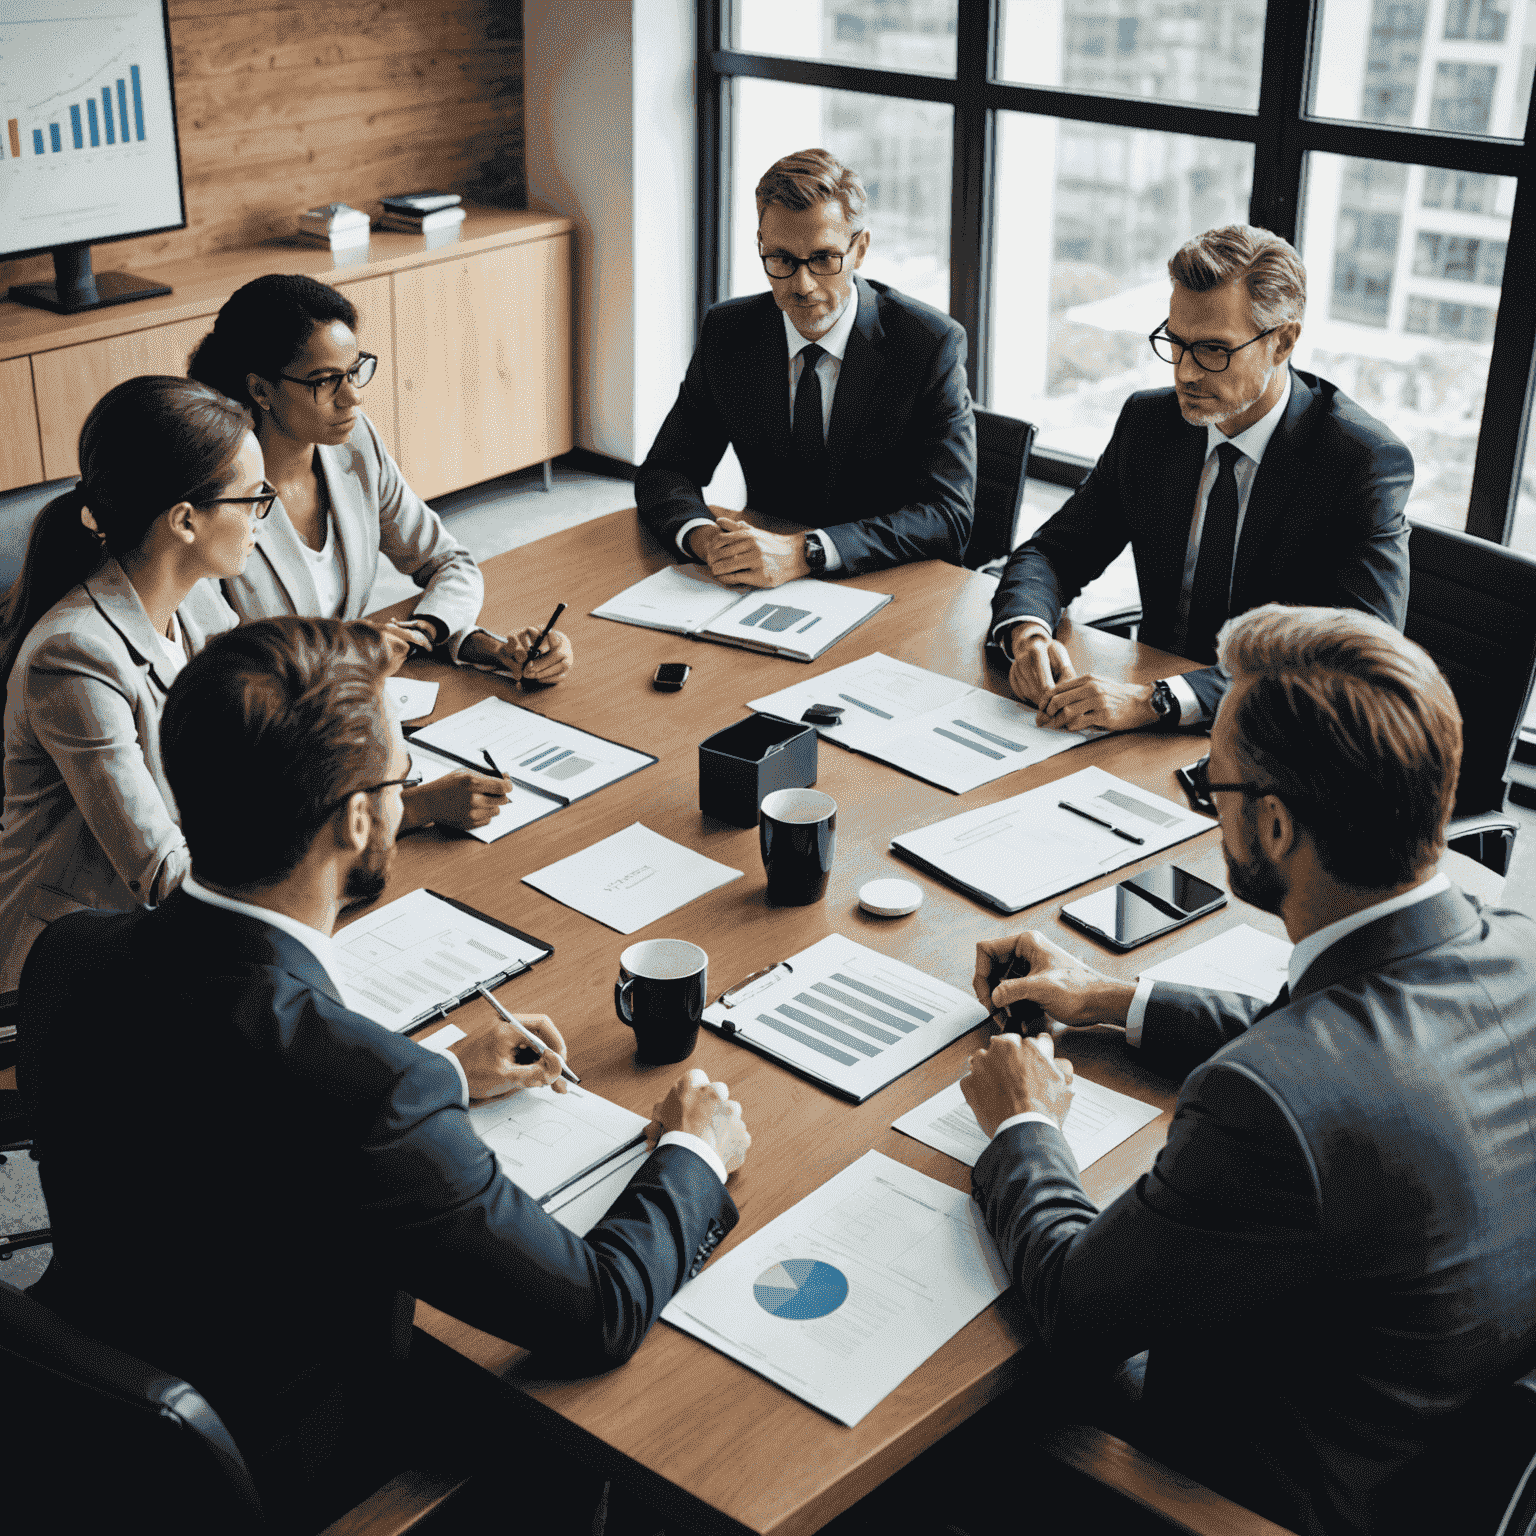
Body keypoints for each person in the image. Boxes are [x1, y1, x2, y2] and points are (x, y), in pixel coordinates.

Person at [16, 615, 750, 1527]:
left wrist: (439, 1069)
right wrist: (693, 1153)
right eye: (402, 781)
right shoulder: (370, 1093)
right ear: (357, 817)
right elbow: (596, 1310)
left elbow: (222, 1104)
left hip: (96, 1428)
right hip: (305, 1476)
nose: (405, 800)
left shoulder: (69, 956)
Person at [962, 604, 1536, 1535]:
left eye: (1209, 785)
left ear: (1272, 826)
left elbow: (1075, 1302)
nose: (1208, 801)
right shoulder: (1514, 949)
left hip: (1234, 1497)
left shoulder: (1265, 1105)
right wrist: (1113, 998)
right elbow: (1341, 1036)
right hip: (1426, 1457)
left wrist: (1025, 1126)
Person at [188, 273, 574, 833]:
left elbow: (448, 561)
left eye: (354, 371)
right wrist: (357, 654)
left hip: (352, 724)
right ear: (262, 390)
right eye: (325, 381)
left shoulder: (353, 442)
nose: (353, 396)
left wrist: (459, 639)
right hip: (272, 759)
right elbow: (220, 675)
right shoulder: (213, 498)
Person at [990, 224, 1413, 733]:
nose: (1185, 373)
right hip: (1143, 723)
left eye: (1214, 349)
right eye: (1176, 341)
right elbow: (1054, 552)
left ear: (1283, 342)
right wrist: (1028, 635)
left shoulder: (1357, 461)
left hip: (1279, 740)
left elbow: (1350, 667)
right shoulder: (1150, 424)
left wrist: (1159, 700)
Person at [0, 375, 264, 1004]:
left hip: (161, 926)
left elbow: (258, 748)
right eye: (253, 500)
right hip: (64, 962)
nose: (261, 518)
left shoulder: (200, 603)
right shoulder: (73, 656)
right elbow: (161, 873)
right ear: (185, 521)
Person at [636, 147, 975, 586]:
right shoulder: (729, 331)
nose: (802, 285)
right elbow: (666, 470)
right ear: (761, 245)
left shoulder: (929, 345)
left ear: (860, 250)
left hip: (883, 585)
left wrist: (806, 552)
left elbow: (948, 517)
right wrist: (706, 540)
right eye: (780, 259)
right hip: (760, 586)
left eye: (823, 259)